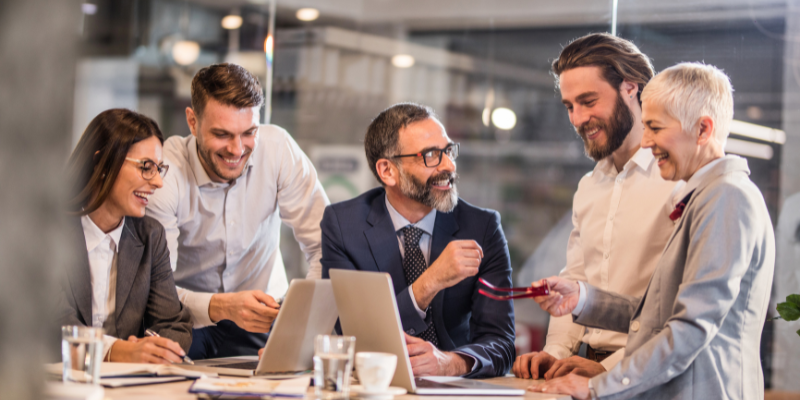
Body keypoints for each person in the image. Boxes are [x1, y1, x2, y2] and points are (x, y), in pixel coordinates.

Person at [528, 63, 775, 400]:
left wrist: (597, 386)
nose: (646, 142)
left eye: (655, 128)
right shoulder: (705, 195)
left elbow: (689, 328)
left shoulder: (727, 198)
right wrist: (584, 299)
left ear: (703, 130)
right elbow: (658, 317)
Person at [513, 33, 681, 380]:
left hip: (644, 374)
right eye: (570, 106)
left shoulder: (676, 182)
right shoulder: (589, 186)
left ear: (631, 88)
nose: (577, 119)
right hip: (579, 368)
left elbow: (680, 311)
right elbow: (575, 280)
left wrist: (607, 369)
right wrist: (554, 352)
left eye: (589, 101)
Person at [146, 63, 329, 359]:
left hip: (267, 323)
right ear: (192, 122)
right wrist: (222, 306)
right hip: (186, 323)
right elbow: (155, 289)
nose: (236, 149)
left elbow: (326, 247)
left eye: (248, 133)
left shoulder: (278, 148)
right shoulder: (165, 173)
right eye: (222, 134)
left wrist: (297, 321)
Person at [320, 103, 515, 378]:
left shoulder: (482, 227)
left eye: (448, 151)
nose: (449, 165)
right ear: (388, 171)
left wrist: (449, 363)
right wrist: (429, 282)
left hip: (455, 391)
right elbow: (351, 335)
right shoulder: (342, 226)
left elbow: (502, 344)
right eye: (431, 155)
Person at [59, 108, 192, 363]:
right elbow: (50, 326)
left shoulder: (151, 236)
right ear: (102, 162)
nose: (158, 182)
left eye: (159, 169)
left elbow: (175, 324)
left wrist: (153, 347)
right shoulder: (47, 232)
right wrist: (119, 351)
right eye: (146, 167)